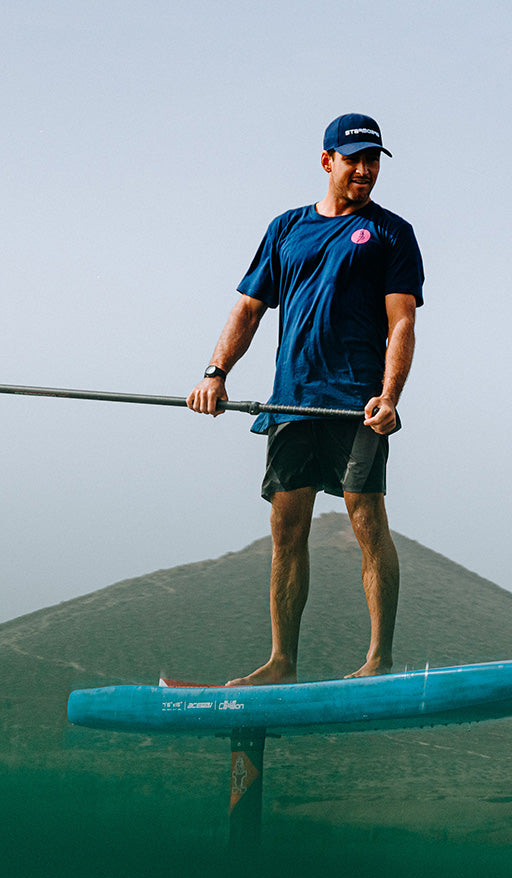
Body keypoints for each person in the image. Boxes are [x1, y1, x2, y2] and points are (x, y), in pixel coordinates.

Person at [187, 112, 424, 685]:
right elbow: (249, 307)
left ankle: (378, 660)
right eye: (354, 159)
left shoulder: (392, 232)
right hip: (290, 401)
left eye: (373, 160)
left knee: (366, 519)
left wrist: (389, 395)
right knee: (287, 530)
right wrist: (215, 373)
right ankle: (282, 663)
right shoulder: (286, 228)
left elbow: (401, 322)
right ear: (327, 161)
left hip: (357, 405)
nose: (365, 170)